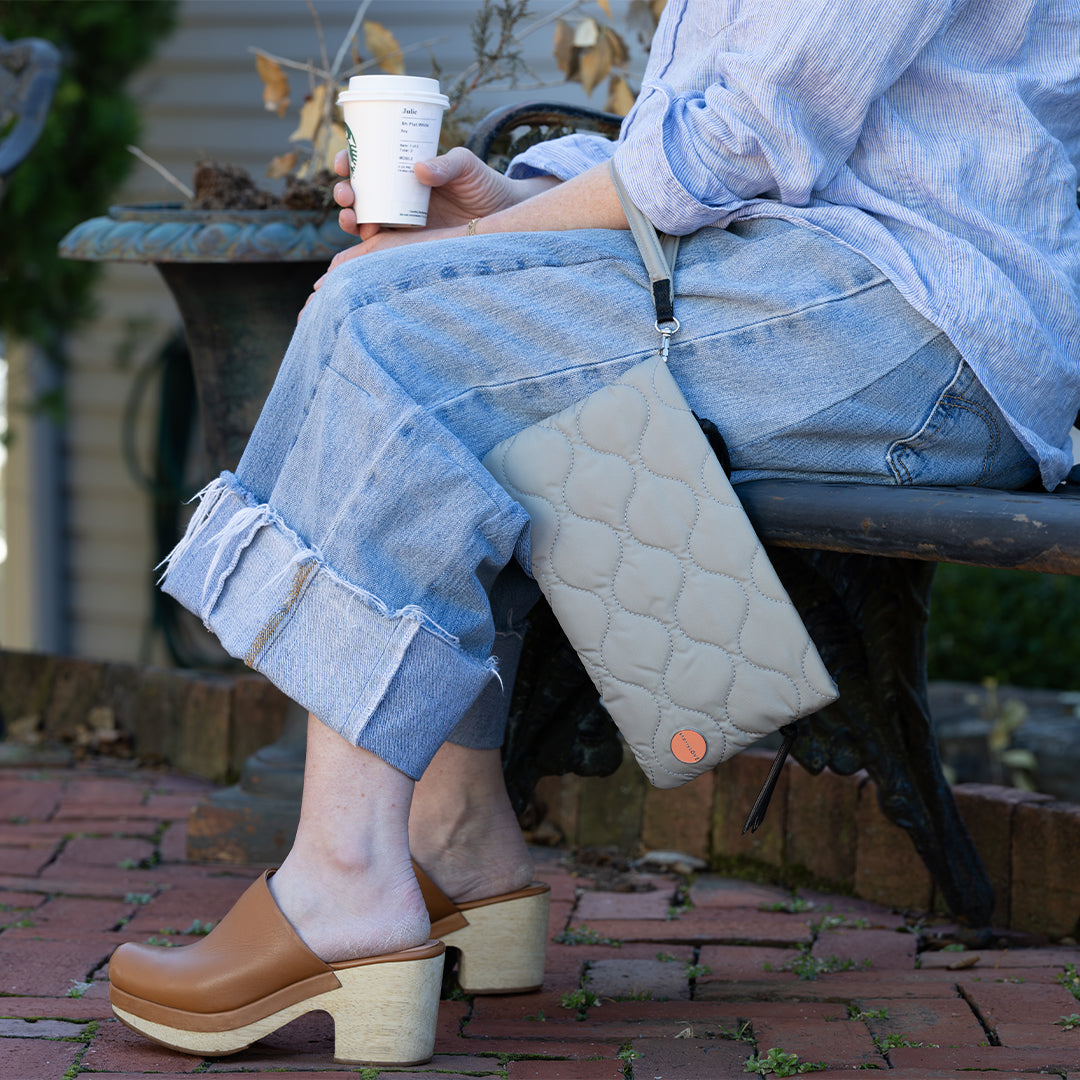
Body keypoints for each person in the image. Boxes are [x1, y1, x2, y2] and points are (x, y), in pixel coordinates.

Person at [108, 0, 1080, 1066]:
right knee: (430, 334)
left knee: (383, 321)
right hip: (816, 288)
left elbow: (745, 134)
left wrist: (480, 244)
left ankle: (346, 876)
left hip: (916, 326)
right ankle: (456, 837)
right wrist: (518, 200)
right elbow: (704, 120)